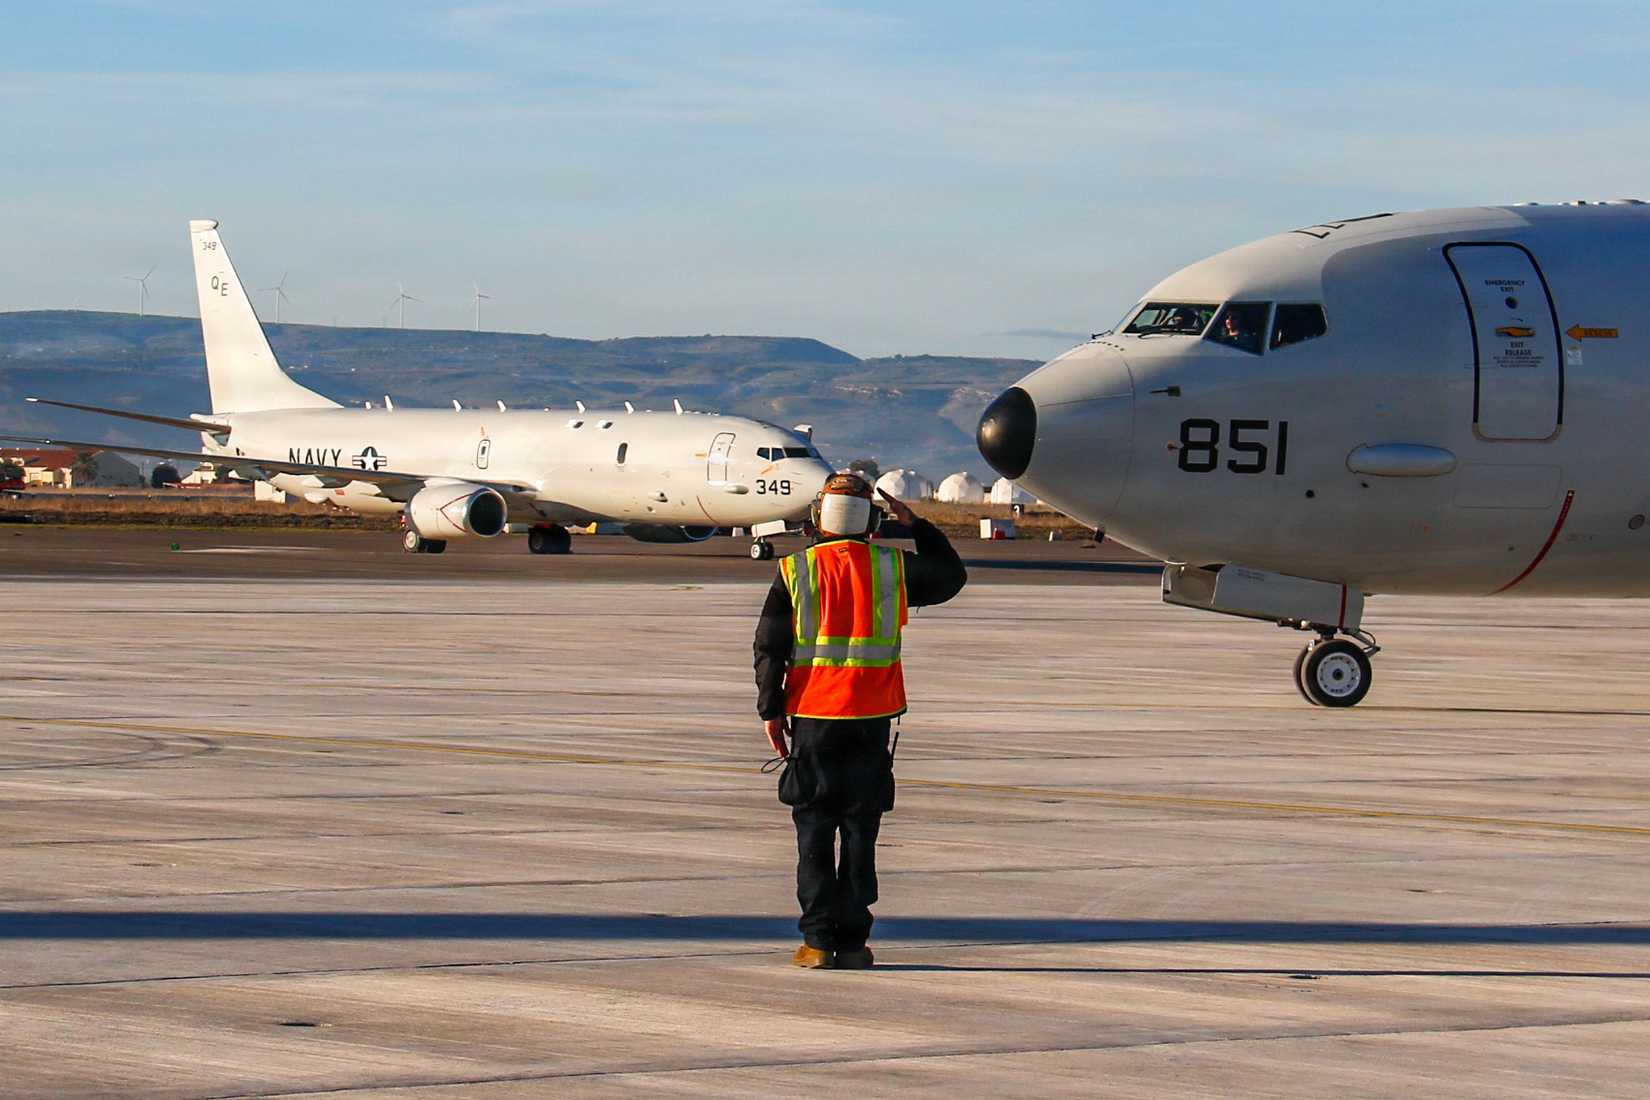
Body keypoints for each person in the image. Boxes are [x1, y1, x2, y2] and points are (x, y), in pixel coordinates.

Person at [753, 473, 967, 969]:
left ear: (816, 518)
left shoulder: (795, 570)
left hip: (812, 719)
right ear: (873, 521)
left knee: (813, 830)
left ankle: (817, 941)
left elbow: (769, 645)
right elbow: (951, 576)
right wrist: (919, 526)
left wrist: (770, 709)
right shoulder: (892, 567)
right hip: (870, 721)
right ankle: (853, 941)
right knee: (859, 834)